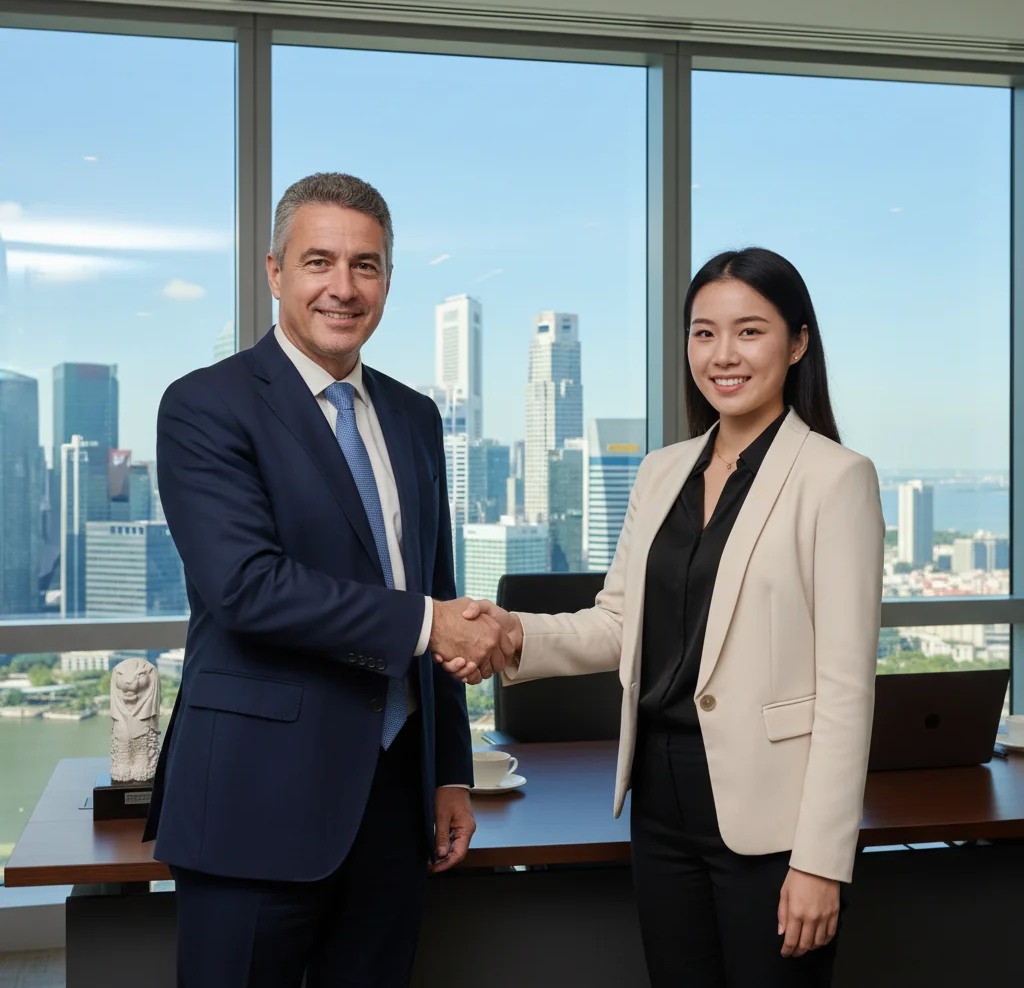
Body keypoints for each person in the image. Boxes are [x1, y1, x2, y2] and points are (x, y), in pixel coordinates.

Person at [442, 247, 884, 987]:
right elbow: (618, 624)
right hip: (660, 801)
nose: (722, 355)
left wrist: (820, 861)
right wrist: (513, 632)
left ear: (798, 342)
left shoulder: (836, 479)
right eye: (703, 333)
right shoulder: (661, 471)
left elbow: (845, 690)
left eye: (749, 331)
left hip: (770, 816)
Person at [143, 172, 514, 988]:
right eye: (319, 262)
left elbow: (437, 585)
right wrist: (427, 624)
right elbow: (247, 587)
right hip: (255, 798)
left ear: (387, 280)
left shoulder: (414, 415)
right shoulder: (206, 405)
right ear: (274, 272)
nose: (343, 288)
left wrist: (449, 770)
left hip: (392, 801)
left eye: (367, 266)